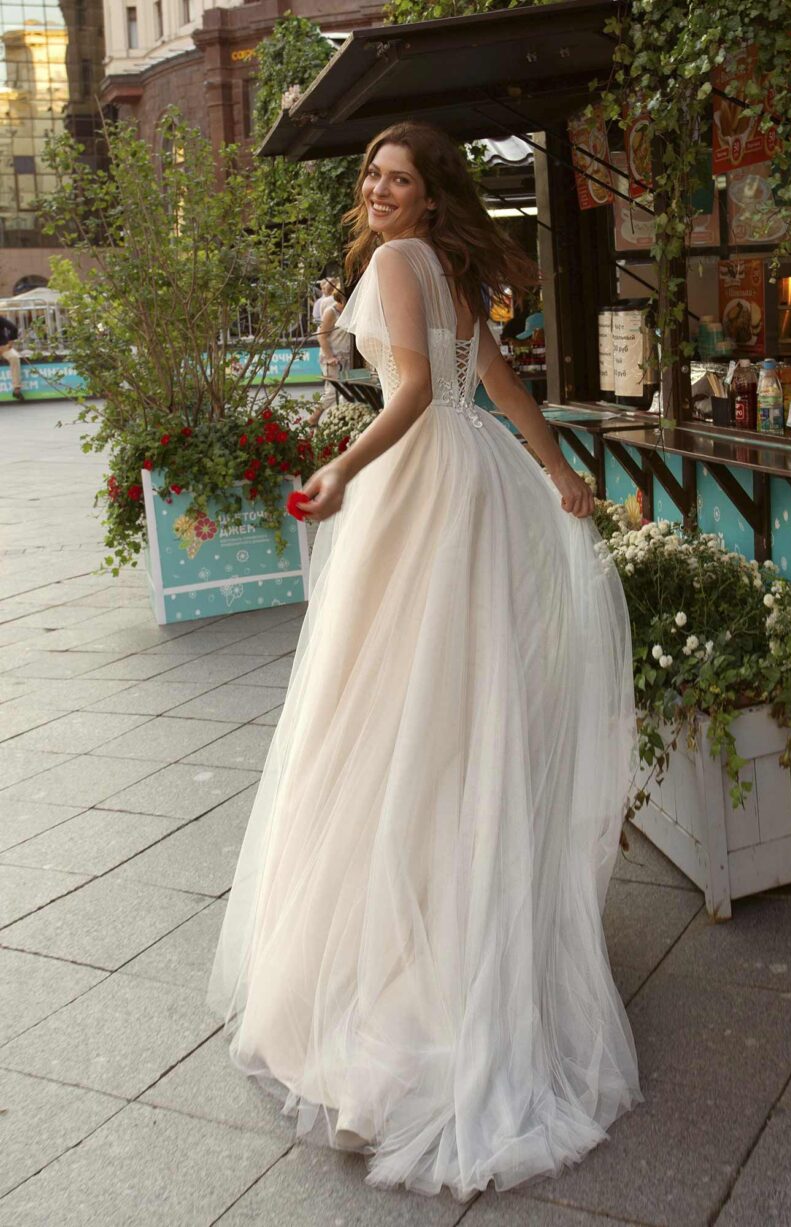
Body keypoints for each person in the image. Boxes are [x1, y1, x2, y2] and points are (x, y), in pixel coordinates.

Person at [207, 121, 640, 1201]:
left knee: (387, 710)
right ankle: (458, 937)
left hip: (417, 487)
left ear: (428, 194)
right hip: (470, 482)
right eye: (372, 176)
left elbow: (410, 398)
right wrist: (556, 474)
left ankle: (403, 975)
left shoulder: (404, 263)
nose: (379, 190)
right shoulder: (442, 267)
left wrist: (341, 469)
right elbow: (493, 384)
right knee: (448, 706)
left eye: (398, 178)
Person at [308, 286, 352, 426]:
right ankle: (313, 417)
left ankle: (342, 419)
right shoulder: (331, 312)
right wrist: (329, 357)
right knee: (332, 391)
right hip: (333, 357)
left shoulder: (349, 312)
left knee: (347, 390)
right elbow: (322, 337)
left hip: (345, 356)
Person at [0, 315, 25, 401]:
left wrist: (10, 343)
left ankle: (16, 389)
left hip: (3, 346)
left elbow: (13, 328)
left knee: (14, 357)